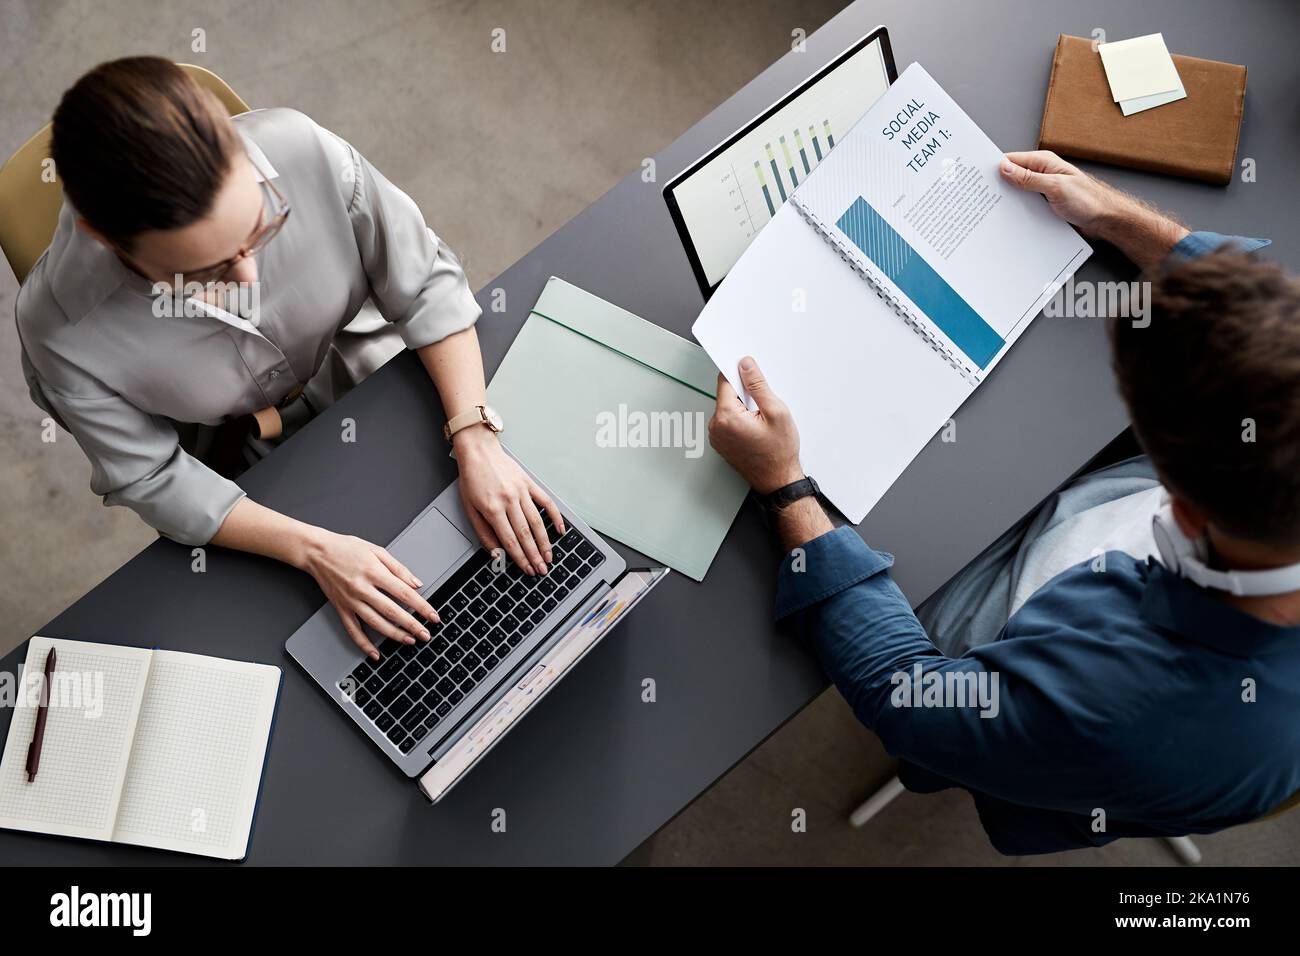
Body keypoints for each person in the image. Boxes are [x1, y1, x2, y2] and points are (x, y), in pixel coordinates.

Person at [707, 149, 1300, 853]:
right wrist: (1116, 216)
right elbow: (1266, 329)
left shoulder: (1110, 704)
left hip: (1027, 640)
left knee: (868, 514)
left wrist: (785, 486)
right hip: (1155, 587)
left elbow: (907, 694)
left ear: (1187, 509)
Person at [15, 57, 563, 662]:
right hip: (243, 465)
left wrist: (476, 435)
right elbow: (152, 478)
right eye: (205, 272)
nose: (249, 275)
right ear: (105, 237)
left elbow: (427, 281)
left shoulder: (298, 147)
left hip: (377, 372)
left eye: (259, 227)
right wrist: (317, 552)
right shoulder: (61, 333)